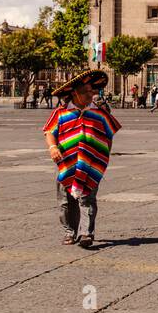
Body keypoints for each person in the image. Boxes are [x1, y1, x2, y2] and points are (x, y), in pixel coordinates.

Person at [43, 69, 119, 248]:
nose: (90, 95)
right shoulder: (60, 113)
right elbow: (49, 132)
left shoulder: (99, 113)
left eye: (92, 91)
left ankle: (86, 234)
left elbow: (108, 135)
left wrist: (102, 155)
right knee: (65, 201)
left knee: (87, 199)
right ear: (74, 93)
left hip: (90, 164)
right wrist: (53, 147)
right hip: (66, 163)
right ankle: (70, 232)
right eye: (86, 92)